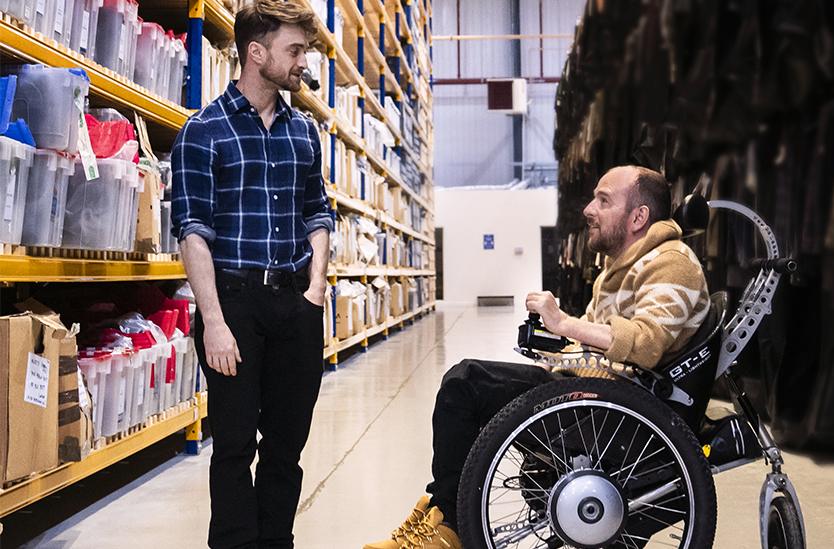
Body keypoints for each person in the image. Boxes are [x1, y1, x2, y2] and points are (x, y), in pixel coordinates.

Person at [365, 165, 711, 549]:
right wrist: (556, 349)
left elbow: (646, 343)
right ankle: (441, 513)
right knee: (472, 383)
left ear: (638, 217)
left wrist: (564, 323)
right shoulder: (620, 267)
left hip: (617, 414)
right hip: (599, 398)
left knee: (464, 385)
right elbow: (602, 345)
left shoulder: (672, 262)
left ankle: (448, 528)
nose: (588, 210)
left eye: (604, 200)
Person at [170, 1, 332, 547]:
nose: (302, 61)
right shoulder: (202, 131)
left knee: (286, 446)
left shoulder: (303, 131)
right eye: (294, 50)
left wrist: (314, 290)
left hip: (295, 304)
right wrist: (213, 322)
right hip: (233, 303)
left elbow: (318, 212)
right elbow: (193, 231)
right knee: (236, 446)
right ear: (255, 53)